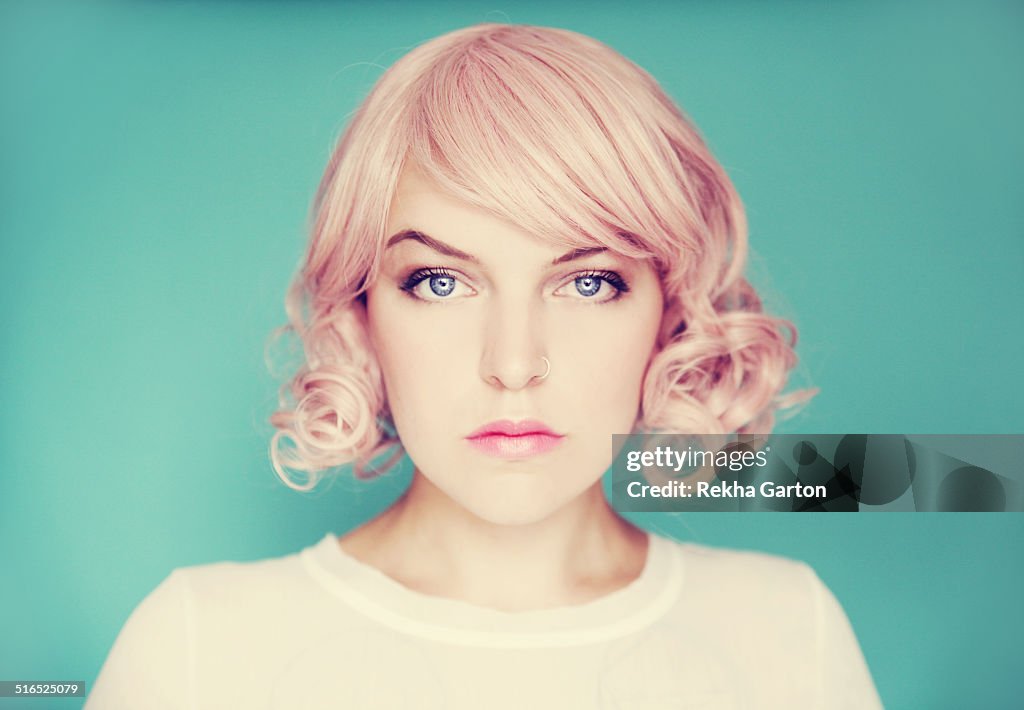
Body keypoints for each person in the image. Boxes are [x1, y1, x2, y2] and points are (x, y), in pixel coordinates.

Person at [87, 23, 881, 709]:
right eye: (440, 282)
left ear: (669, 316)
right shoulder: (196, 648)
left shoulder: (787, 631)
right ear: (362, 315)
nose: (512, 363)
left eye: (587, 282)